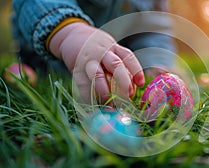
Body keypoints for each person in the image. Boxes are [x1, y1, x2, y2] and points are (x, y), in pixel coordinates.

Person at [11, 0, 177, 104]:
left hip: (106, 67)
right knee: (32, 75)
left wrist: (156, 62)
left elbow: (153, 30)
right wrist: (70, 32)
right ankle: (25, 71)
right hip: (45, 61)